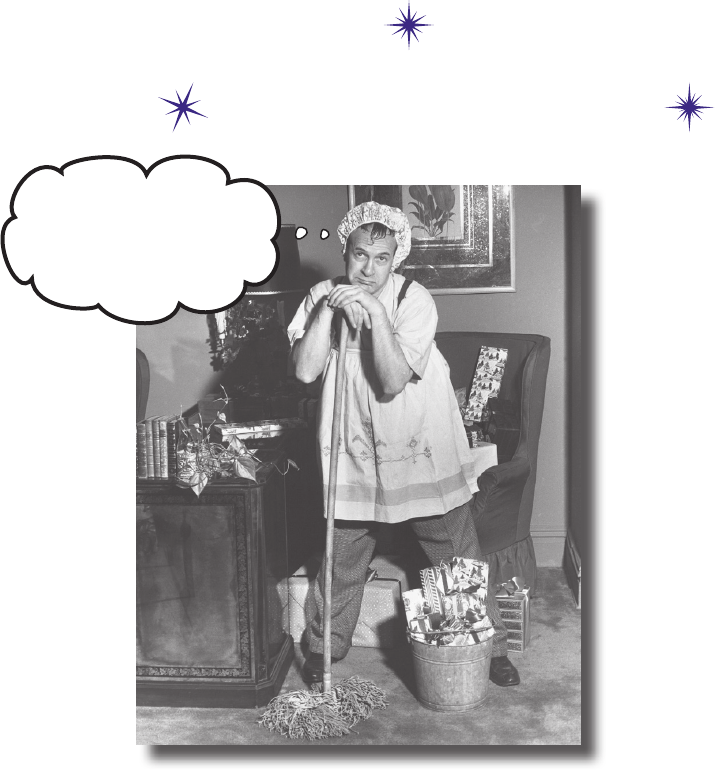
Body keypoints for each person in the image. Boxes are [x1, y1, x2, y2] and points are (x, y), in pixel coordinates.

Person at [287, 201, 520, 687]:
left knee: (454, 550)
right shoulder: (321, 296)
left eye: (382, 258)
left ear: (397, 259)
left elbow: (392, 380)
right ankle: (325, 648)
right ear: (345, 252)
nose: (368, 270)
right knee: (342, 556)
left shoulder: (415, 299)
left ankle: (488, 645)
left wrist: (374, 310)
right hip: (353, 443)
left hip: (416, 439)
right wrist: (327, 311)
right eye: (360, 255)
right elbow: (306, 371)